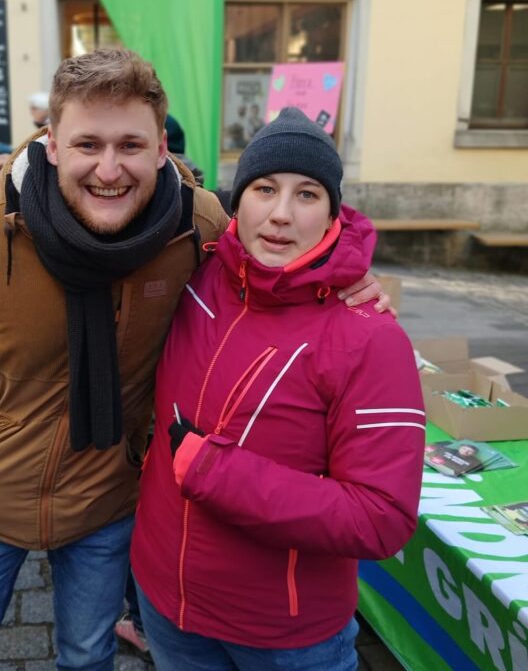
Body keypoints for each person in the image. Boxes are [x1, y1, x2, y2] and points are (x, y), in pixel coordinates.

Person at [0, 52, 390, 670]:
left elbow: (279, 252)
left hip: (105, 496)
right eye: (88, 143)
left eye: (130, 145)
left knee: (87, 655)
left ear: (161, 148)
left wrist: (349, 278)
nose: (109, 169)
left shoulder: (197, 226)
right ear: (53, 144)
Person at [130, 107, 426, 671]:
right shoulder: (196, 270)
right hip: (167, 603)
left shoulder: (369, 336)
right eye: (265, 188)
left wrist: (218, 473)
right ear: (236, 200)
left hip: (283, 636)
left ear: (333, 213)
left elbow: (382, 516)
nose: (282, 215)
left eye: (308, 194)